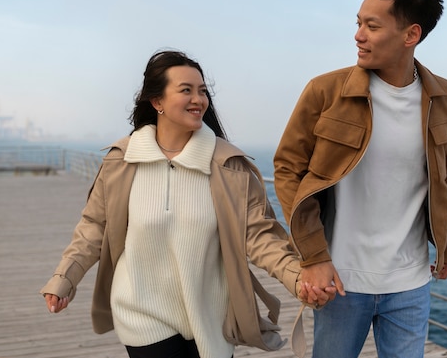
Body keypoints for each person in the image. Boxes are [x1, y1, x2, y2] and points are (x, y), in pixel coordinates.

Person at [41, 50, 334, 358]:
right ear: (157, 102)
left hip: (211, 319)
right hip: (142, 315)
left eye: (203, 91)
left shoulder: (228, 165)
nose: (199, 99)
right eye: (186, 90)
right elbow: (94, 227)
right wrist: (64, 278)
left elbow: (259, 237)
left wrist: (298, 278)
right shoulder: (122, 161)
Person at [273, 0, 447, 358]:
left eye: (372, 26)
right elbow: (288, 169)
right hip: (341, 280)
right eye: (358, 23)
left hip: (411, 282)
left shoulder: (446, 97)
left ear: (410, 34)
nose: (358, 35)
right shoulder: (325, 91)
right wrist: (313, 258)